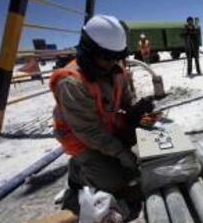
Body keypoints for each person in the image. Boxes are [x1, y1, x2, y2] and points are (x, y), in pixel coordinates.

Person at [49, 15, 154, 211]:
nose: (113, 62)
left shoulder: (116, 69)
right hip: (81, 139)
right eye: (107, 57)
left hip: (105, 130)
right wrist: (122, 152)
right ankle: (77, 172)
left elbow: (124, 103)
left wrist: (135, 112)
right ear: (89, 50)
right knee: (114, 183)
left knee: (142, 143)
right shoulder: (72, 83)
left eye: (117, 57)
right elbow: (88, 131)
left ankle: (105, 162)